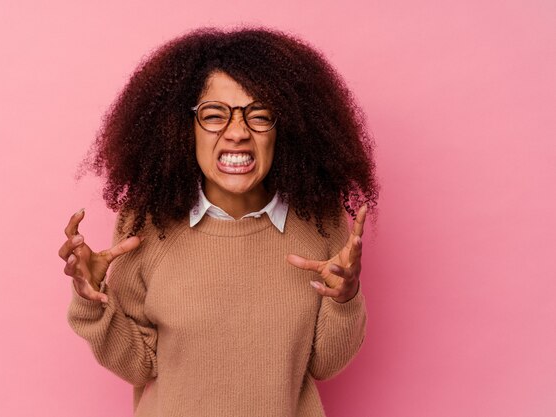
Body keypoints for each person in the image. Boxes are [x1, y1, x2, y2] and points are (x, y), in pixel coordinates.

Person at [58, 27, 378, 417]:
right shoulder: (146, 224)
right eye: (214, 115)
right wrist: (93, 300)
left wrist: (345, 300)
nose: (239, 132)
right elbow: (139, 364)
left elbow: (324, 365)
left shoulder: (321, 222)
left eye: (259, 115)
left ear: (286, 129)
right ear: (182, 128)